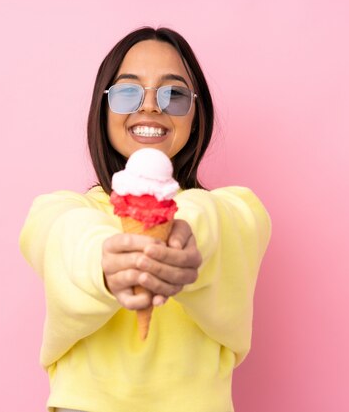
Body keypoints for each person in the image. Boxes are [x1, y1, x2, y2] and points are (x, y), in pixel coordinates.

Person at [19, 26, 271, 412]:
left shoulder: (237, 209)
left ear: (196, 113)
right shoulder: (62, 211)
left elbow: (222, 224)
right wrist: (104, 261)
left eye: (174, 94)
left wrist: (185, 235)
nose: (151, 106)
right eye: (127, 91)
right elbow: (63, 237)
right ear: (102, 109)